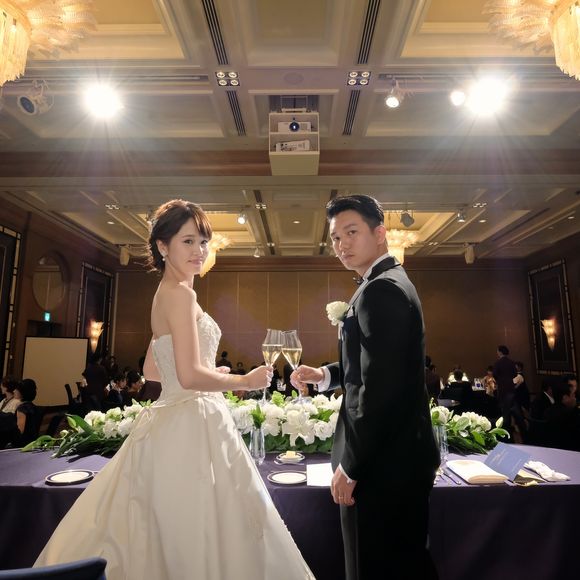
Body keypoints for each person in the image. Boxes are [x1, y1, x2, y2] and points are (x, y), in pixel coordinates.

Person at [35, 199, 314, 579]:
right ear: (162, 246)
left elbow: (152, 370)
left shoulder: (164, 293)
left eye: (203, 241)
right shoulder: (181, 295)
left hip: (172, 420)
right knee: (200, 524)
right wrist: (243, 381)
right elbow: (187, 378)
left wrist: (205, 370)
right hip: (192, 423)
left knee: (158, 525)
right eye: (188, 241)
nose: (199, 251)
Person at [291, 195, 439, 580]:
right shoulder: (383, 283)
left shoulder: (380, 291)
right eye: (336, 238)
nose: (342, 244)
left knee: (374, 567)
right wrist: (324, 375)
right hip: (398, 459)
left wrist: (351, 464)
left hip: (383, 465)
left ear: (380, 233)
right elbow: (373, 365)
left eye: (351, 232)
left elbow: (380, 390)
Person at [492, 345, 517, 435]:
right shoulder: (512, 362)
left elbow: (494, 374)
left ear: (500, 352)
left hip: (502, 388)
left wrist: (500, 380)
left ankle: (505, 429)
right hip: (511, 387)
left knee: (504, 408)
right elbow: (515, 374)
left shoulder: (498, 363)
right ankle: (511, 426)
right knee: (511, 408)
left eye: (497, 351)